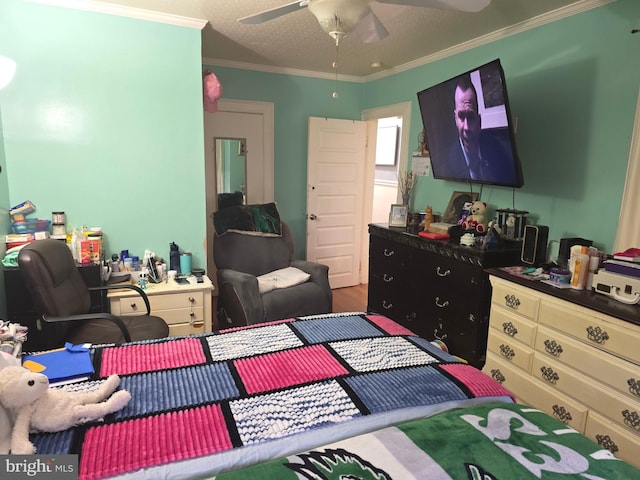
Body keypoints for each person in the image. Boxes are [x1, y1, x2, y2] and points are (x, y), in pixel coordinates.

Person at [444, 75, 516, 184]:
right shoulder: (447, 164)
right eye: (461, 116)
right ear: (455, 119)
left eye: (471, 117)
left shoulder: (499, 150)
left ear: (479, 120)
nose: (467, 127)